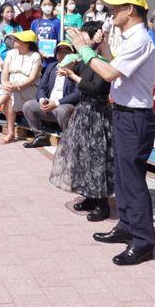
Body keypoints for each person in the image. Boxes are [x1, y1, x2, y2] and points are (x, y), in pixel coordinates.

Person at [68, 0, 155, 265]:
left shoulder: (140, 38)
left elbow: (108, 72)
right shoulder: (131, 38)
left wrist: (84, 49)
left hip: (134, 116)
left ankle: (143, 241)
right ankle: (127, 226)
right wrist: (103, 46)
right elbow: (114, 63)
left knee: (132, 180)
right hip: (123, 113)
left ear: (131, 9)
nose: (112, 11)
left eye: (117, 7)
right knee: (122, 176)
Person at [49, 26, 114, 221]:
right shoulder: (86, 57)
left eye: (83, 34)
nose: (80, 38)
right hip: (83, 112)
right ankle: (89, 196)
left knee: (97, 159)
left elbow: (95, 88)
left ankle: (102, 203)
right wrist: (70, 62)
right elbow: (67, 63)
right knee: (82, 156)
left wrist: (73, 76)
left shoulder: (104, 61)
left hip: (98, 114)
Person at [22, 39, 80, 149]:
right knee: (28, 106)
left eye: (66, 52)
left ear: (72, 55)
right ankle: (40, 136)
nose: (62, 55)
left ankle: (69, 139)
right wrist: (43, 99)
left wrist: (56, 103)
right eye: (60, 52)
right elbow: (42, 87)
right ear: (56, 55)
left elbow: (77, 94)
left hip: (65, 106)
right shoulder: (51, 67)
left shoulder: (77, 70)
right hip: (49, 104)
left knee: (61, 110)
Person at [31, 0, 62, 65]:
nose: (47, 7)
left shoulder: (58, 22)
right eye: (44, 4)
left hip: (52, 60)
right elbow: (31, 41)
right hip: (37, 59)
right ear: (40, 6)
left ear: (53, 6)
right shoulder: (34, 23)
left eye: (49, 4)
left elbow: (60, 41)